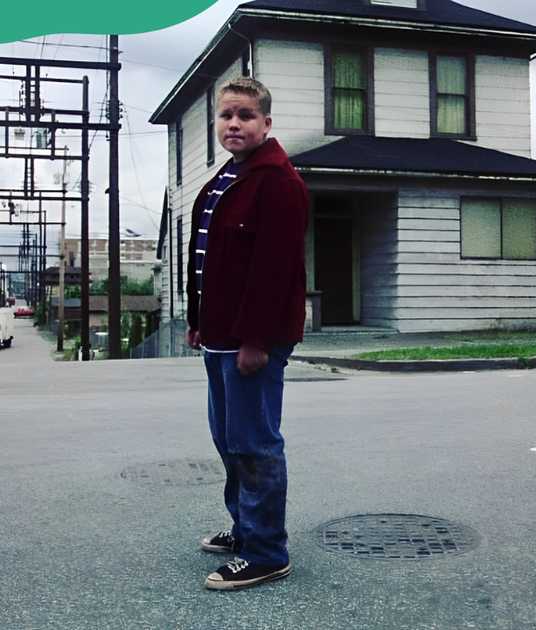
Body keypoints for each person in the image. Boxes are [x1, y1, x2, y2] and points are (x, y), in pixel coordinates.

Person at [186, 77, 309, 591]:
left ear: (266, 124)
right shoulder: (228, 176)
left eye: (245, 116)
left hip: (250, 341)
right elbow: (206, 259)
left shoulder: (277, 182)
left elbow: (272, 272)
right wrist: (197, 321)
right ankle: (245, 529)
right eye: (226, 116)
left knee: (255, 443)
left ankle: (265, 552)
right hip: (218, 335)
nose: (233, 124)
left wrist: (257, 341)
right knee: (228, 439)